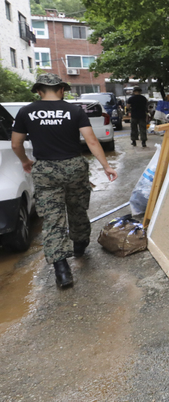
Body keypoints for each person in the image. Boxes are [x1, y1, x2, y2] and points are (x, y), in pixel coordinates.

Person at [11, 73, 118, 288]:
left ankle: (62, 270)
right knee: (77, 208)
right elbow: (91, 140)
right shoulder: (74, 111)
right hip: (74, 167)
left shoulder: (26, 112)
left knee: (52, 217)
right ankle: (79, 246)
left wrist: (25, 161)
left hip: (45, 170)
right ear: (61, 90)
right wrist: (106, 166)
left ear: (39, 91)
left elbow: (16, 144)